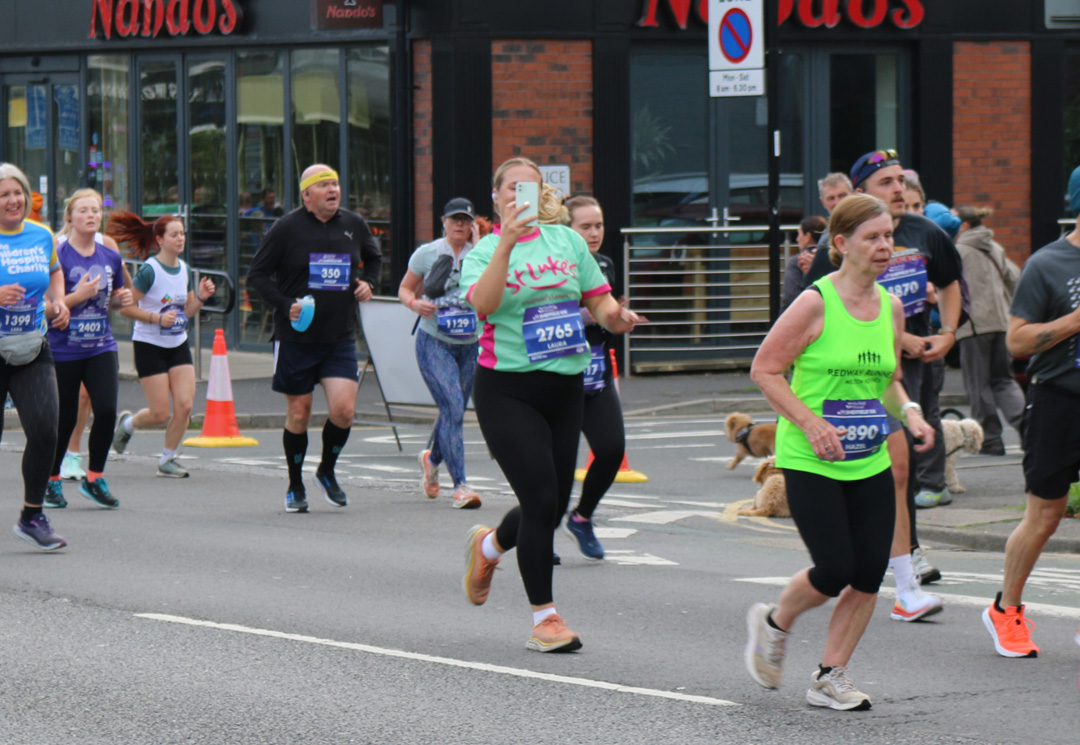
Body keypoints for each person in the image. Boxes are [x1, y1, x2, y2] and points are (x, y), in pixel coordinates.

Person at [745, 193, 935, 711]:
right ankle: (775, 622)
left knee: (869, 572)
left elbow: (889, 380)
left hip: (869, 457)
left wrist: (910, 412)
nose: (885, 246)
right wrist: (810, 423)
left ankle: (830, 676)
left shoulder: (891, 308)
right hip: (813, 459)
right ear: (843, 243)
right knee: (833, 570)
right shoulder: (816, 303)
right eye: (872, 237)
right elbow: (765, 370)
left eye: (889, 236)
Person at [461, 157, 643, 652]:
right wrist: (505, 243)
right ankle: (545, 619)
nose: (522, 196)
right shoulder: (483, 251)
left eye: (532, 188)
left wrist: (617, 317)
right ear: (497, 197)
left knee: (552, 504)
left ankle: (488, 546)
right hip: (507, 389)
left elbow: (597, 300)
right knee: (542, 498)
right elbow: (484, 305)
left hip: (564, 386)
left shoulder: (566, 241)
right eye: (512, 189)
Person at [804, 150, 963, 606]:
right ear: (861, 194)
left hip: (912, 368)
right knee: (890, 468)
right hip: (854, 377)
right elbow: (821, 310)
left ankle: (899, 567)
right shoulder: (836, 249)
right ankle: (892, 569)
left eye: (901, 180)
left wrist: (947, 333)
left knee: (902, 466)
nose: (898, 189)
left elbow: (951, 281)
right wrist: (898, 338)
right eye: (886, 182)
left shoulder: (925, 232)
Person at [982, 164, 1080, 659]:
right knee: (1045, 515)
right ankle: (1006, 609)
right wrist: (1076, 320)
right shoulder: (1048, 263)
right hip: (1059, 400)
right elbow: (1017, 341)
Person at [246, 164, 382, 513]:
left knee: (344, 411)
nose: (332, 189)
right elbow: (256, 275)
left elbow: (374, 258)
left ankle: (326, 471)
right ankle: (295, 485)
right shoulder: (286, 228)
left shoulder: (354, 224)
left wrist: (370, 283)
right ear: (307, 195)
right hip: (296, 338)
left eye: (335, 183)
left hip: (339, 336)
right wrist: (285, 304)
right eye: (323, 185)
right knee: (299, 413)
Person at [42, 189, 133, 510]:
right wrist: (77, 296)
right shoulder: (58, 255)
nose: (91, 215)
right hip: (64, 348)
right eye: (83, 211)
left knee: (106, 410)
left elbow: (116, 299)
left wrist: (120, 300)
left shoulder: (109, 255)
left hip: (100, 345)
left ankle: (94, 479)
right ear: (70, 219)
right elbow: (47, 309)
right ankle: (51, 480)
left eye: (95, 210)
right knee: (65, 417)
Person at [108, 211, 215, 478]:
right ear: (159, 240)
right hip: (149, 344)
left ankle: (167, 459)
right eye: (174, 235)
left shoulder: (184, 269)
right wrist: (156, 318)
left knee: (185, 406)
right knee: (159, 413)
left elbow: (185, 313)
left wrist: (201, 298)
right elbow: (126, 307)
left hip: (177, 343)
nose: (181, 239)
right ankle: (128, 424)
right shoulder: (150, 270)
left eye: (183, 234)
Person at [553, 195, 629, 561]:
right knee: (558, 467)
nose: (595, 233)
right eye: (585, 227)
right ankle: (541, 532)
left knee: (612, 449)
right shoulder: (551, 266)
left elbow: (609, 310)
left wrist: (619, 317)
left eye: (598, 225)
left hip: (596, 372)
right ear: (567, 229)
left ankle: (582, 517)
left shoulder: (604, 264)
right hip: (558, 377)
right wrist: (586, 315)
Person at [0, 163, 71, 550]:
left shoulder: (41, 235)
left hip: (32, 345)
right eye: (4, 195)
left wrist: (59, 301)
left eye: (18, 193)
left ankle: (32, 516)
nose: (13, 200)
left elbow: (54, 271)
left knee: (45, 430)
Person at [398, 197, 482, 509]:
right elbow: (404, 288)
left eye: (465, 220)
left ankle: (432, 460)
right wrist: (414, 303)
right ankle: (460, 486)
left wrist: (481, 247)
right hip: (434, 341)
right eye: (454, 219)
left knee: (452, 410)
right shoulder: (427, 253)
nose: (459, 224)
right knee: (454, 407)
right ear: (443, 222)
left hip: (470, 344)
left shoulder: (481, 254)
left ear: (473, 225)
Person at [952, 205, 1024, 456]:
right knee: (1004, 380)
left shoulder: (959, 251)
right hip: (1001, 322)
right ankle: (1027, 426)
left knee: (978, 383)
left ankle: (990, 438)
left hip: (974, 325)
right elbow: (1015, 278)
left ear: (963, 226)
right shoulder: (995, 247)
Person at [780, 215, 828, 314]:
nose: (797, 239)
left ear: (808, 236)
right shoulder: (830, 258)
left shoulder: (797, 261)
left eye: (799, 234)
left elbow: (790, 296)